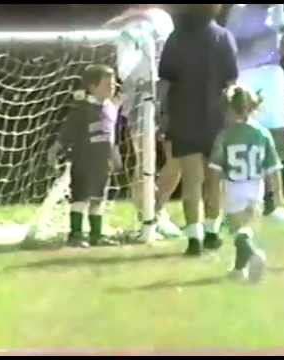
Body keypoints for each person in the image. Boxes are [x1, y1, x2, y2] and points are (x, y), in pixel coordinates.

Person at [158, 4, 238, 256]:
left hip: (184, 118)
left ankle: (194, 238)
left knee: (192, 180)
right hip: (217, 119)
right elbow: (231, 82)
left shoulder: (176, 38)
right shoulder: (224, 37)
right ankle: (212, 232)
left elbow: (165, 82)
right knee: (214, 180)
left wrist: (161, 115)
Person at [104, 5, 182, 239]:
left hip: (169, 92)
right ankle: (147, 219)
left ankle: (156, 212)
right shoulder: (127, 23)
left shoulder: (164, 19)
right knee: (143, 158)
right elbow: (125, 68)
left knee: (177, 155)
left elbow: (173, 56)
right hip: (140, 94)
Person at [225, 4, 284, 223]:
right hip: (246, 74)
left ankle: (272, 204)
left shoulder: (278, 9)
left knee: (281, 140)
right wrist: (261, 40)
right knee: (244, 139)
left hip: (273, 74)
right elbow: (231, 47)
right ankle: (240, 202)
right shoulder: (239, 10)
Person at [208, 84, 284, 282]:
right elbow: (273, 168)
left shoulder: (225, 136)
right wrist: (277, 197)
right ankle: (238, 270)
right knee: (245, 230)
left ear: (231, 109)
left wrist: (213, 198)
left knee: (238, 232)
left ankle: (253, 255)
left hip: (234, 188)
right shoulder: (263, 134)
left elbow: (215, 171)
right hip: (255, 188)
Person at [48, 65, 122, 248]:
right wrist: (54, 150)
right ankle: (75, 234)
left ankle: (96, 235)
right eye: (107, 85)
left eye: (113, 84)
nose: (112, 88)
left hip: (103, 163)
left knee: (98, 199)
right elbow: (67, 132)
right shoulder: (82, 110)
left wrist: (115, 155)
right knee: (80, 198)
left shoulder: (111, 109)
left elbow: (113, 136)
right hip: (83, 162)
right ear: (92, 87)